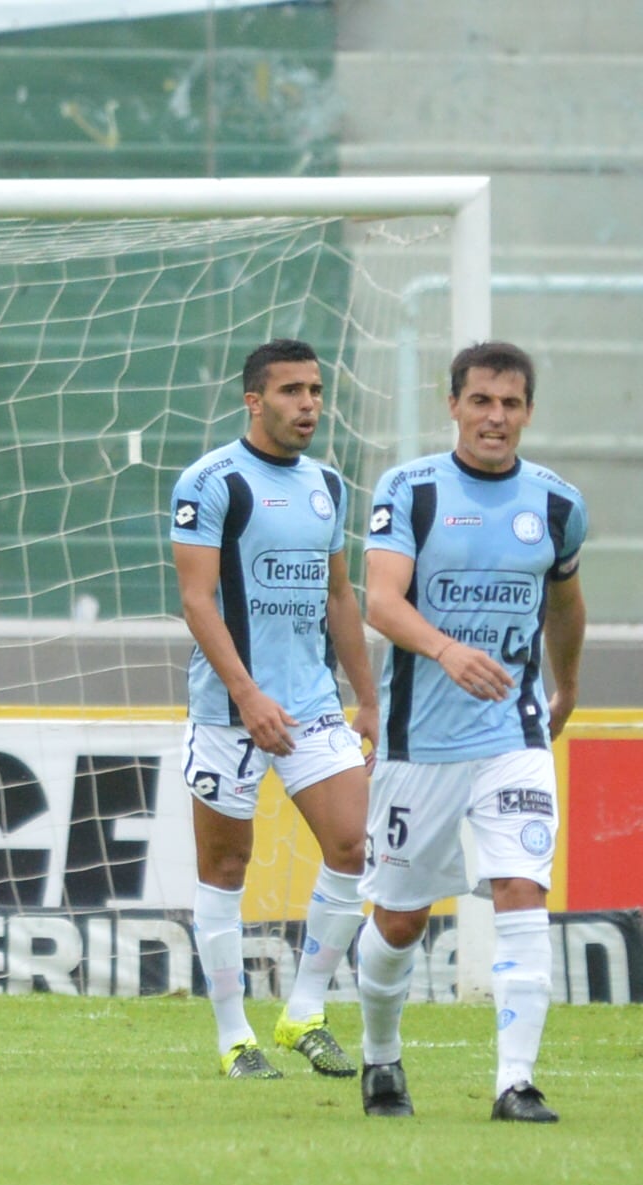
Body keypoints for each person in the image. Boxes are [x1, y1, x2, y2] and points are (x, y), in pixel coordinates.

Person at [354, 341, 586, 1123]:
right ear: (452, 404)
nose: (496, 418)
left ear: (528, 412)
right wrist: (447, 650)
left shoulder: (556, 504)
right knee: (400, 918)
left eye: (511, 404)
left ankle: (514, 1083)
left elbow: (565, 602)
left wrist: (569, 682)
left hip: (511, 734)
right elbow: (380, 603)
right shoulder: (410, 490)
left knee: (523, 889)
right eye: (481, 401)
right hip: (417, 746)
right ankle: (381, 1058)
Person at [169, 337, 380, 1080]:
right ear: (254, 400)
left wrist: (369, 697)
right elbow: (197, 600)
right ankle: (235, 1038)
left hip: (314, 707)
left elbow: (340, 595)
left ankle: (304, 1012)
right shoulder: (212, 481)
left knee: (354, 846)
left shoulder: (328, 484)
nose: (309, 405)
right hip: (230, 711)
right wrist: (247, 693)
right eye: (292, 391)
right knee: (225, 865)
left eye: (316, 391)